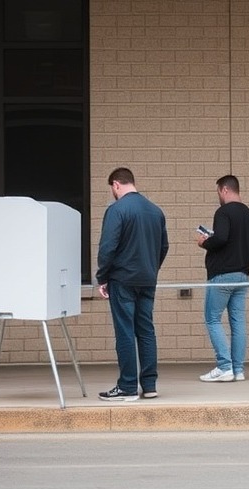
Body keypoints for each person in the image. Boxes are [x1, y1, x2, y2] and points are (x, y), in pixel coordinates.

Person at [96, 167, 169, 401]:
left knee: (125, 331)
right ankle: (149, 385)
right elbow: (164, 246)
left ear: (116, 184)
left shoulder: (117, 210)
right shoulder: (155, 211)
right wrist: (151, 269)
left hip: (123, 279)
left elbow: (108, 247)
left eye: (112, 188)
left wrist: (102, 277)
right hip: (147, 279)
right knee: (146, 330)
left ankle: (127, 386)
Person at [196, 175, 249, 383]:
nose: (218, 196)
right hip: (242, 275)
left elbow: (220, 238)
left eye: (218, 191)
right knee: (238, 322)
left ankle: (224, 366)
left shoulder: (224, 212)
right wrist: (244, 260)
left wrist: (204, 242)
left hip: (222, 275)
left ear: (225, 190)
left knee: (212, 318)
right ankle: (238, 369)